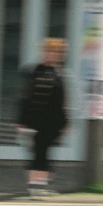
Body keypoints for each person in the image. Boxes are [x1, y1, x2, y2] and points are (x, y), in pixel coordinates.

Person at [16, 38, 68, 196]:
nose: (51, 55)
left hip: (52, 120)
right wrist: (21, 121)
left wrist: (65, 122)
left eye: (56, 52)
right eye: (49, 51)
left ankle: (39, 185)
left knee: (45, 151)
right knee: (38, 151)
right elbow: (25, 97)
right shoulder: (33, 71)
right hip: (35, 119)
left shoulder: (59, 73)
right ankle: (35, 185)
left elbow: (61, 100)